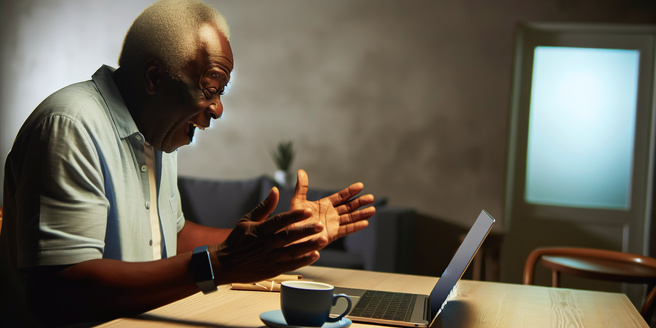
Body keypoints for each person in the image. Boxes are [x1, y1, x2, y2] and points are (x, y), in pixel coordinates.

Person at [0, 0, 375, 326]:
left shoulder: (156, 135)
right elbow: (55, 295)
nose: (218, 109)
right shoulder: (69, 127)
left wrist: (282, 237)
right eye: (210, 89)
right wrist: (219, 264)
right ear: (154, 78)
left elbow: (169, 237)